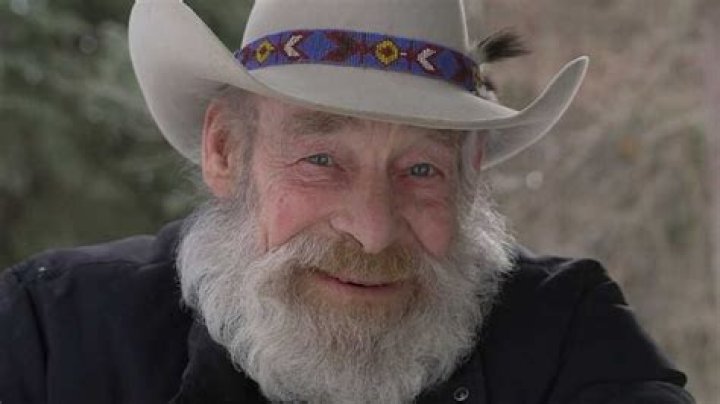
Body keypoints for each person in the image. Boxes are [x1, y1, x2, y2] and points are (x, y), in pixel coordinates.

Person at [0, 0, 695, 403]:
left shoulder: (565, 333)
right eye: (321, 160)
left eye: (421, 169)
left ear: (471, 175)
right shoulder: (54, 336)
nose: (372, 230)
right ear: (225, 152)